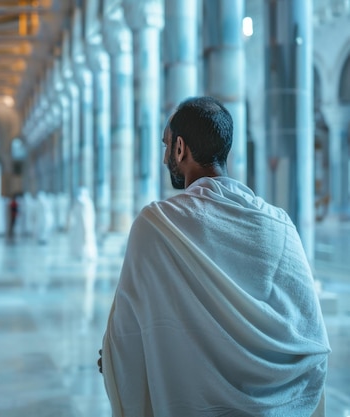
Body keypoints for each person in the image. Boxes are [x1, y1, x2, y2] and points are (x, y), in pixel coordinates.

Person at [98, 96, 330, 416]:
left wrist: (111, 359)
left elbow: (126, 338)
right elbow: (309, 336)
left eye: (167, 146)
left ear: (180, 148)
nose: (166, 156)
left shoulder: (155, 225)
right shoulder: (279, 224)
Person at [68, 187, 98, 260]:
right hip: (82, 227)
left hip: (83, 227)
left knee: (85, 241)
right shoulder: (83, 203)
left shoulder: (83, 203)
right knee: (83, 241)